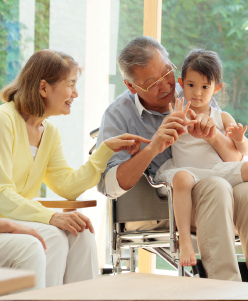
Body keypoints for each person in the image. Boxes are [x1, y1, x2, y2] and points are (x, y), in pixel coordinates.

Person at [97, 36, 248, 281]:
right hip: (173, 197)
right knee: (216, 186)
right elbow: (108, 185)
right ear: (131, 86)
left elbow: (235, 155)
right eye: (151, 83)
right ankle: (226, 290)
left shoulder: (193, 88)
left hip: (217, 181)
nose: (167, 86)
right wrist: (152, 148)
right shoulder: (118, 116)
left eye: (167, 72)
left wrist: (213, 137)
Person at [0, 49, 150, 290]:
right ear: (43, 88)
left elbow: (67, 187)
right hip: (4, 222)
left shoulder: (49, 133)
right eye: (70, 84)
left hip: (20, 219)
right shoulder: (4, 121)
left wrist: (105, 149)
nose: (75, 93)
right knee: (55, 237)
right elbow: (2, 195)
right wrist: (51, 216)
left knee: (82, 235)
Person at [154, 49, 248, 267]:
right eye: (191, 85)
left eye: (205, 87)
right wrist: (176, 123)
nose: (197, 92)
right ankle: (185, 241)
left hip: (218, 172)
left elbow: (240, 154)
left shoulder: (222, 117)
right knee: (182, 179)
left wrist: (239, 139)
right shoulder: (175, 112)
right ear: (181, 83)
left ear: (217, 88)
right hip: (190, 172)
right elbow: (163, 140)